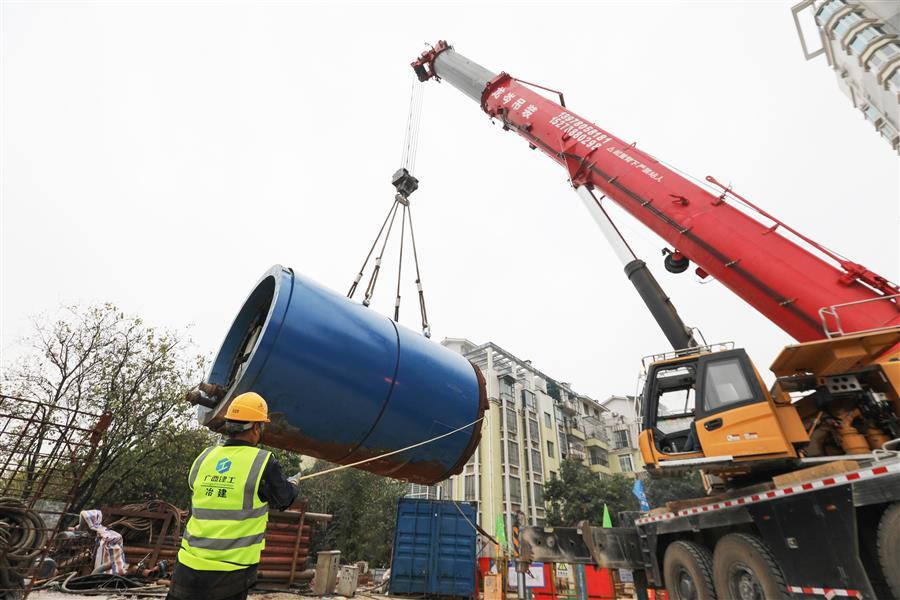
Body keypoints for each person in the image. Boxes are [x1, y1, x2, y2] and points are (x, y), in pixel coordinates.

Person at [166, 391, 299, 600]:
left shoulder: (205, 457)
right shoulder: (263, 462)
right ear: (256, 428)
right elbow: (284, 499)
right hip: (230, 573)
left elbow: (208, 493)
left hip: (187, 567)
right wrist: (292, 484)